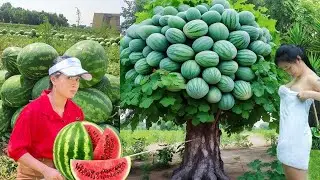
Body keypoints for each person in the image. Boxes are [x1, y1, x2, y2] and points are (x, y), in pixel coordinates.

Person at [7, 56, 92, 180]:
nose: (75, 84)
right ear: (53, 79)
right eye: (69, 78)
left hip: (64, 173)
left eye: (77, 79)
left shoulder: (77, 113)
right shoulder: (32, 111)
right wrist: (45, 170)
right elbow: (15, 150)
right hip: (33, 174)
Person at [275, 44, 320, 180]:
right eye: (284, 70)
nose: (288, 72)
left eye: (288, 67)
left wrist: (309, 93)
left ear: (298, 59)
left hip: (297, 139)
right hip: (287, 137)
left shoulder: (312, 78)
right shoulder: (298, 77)